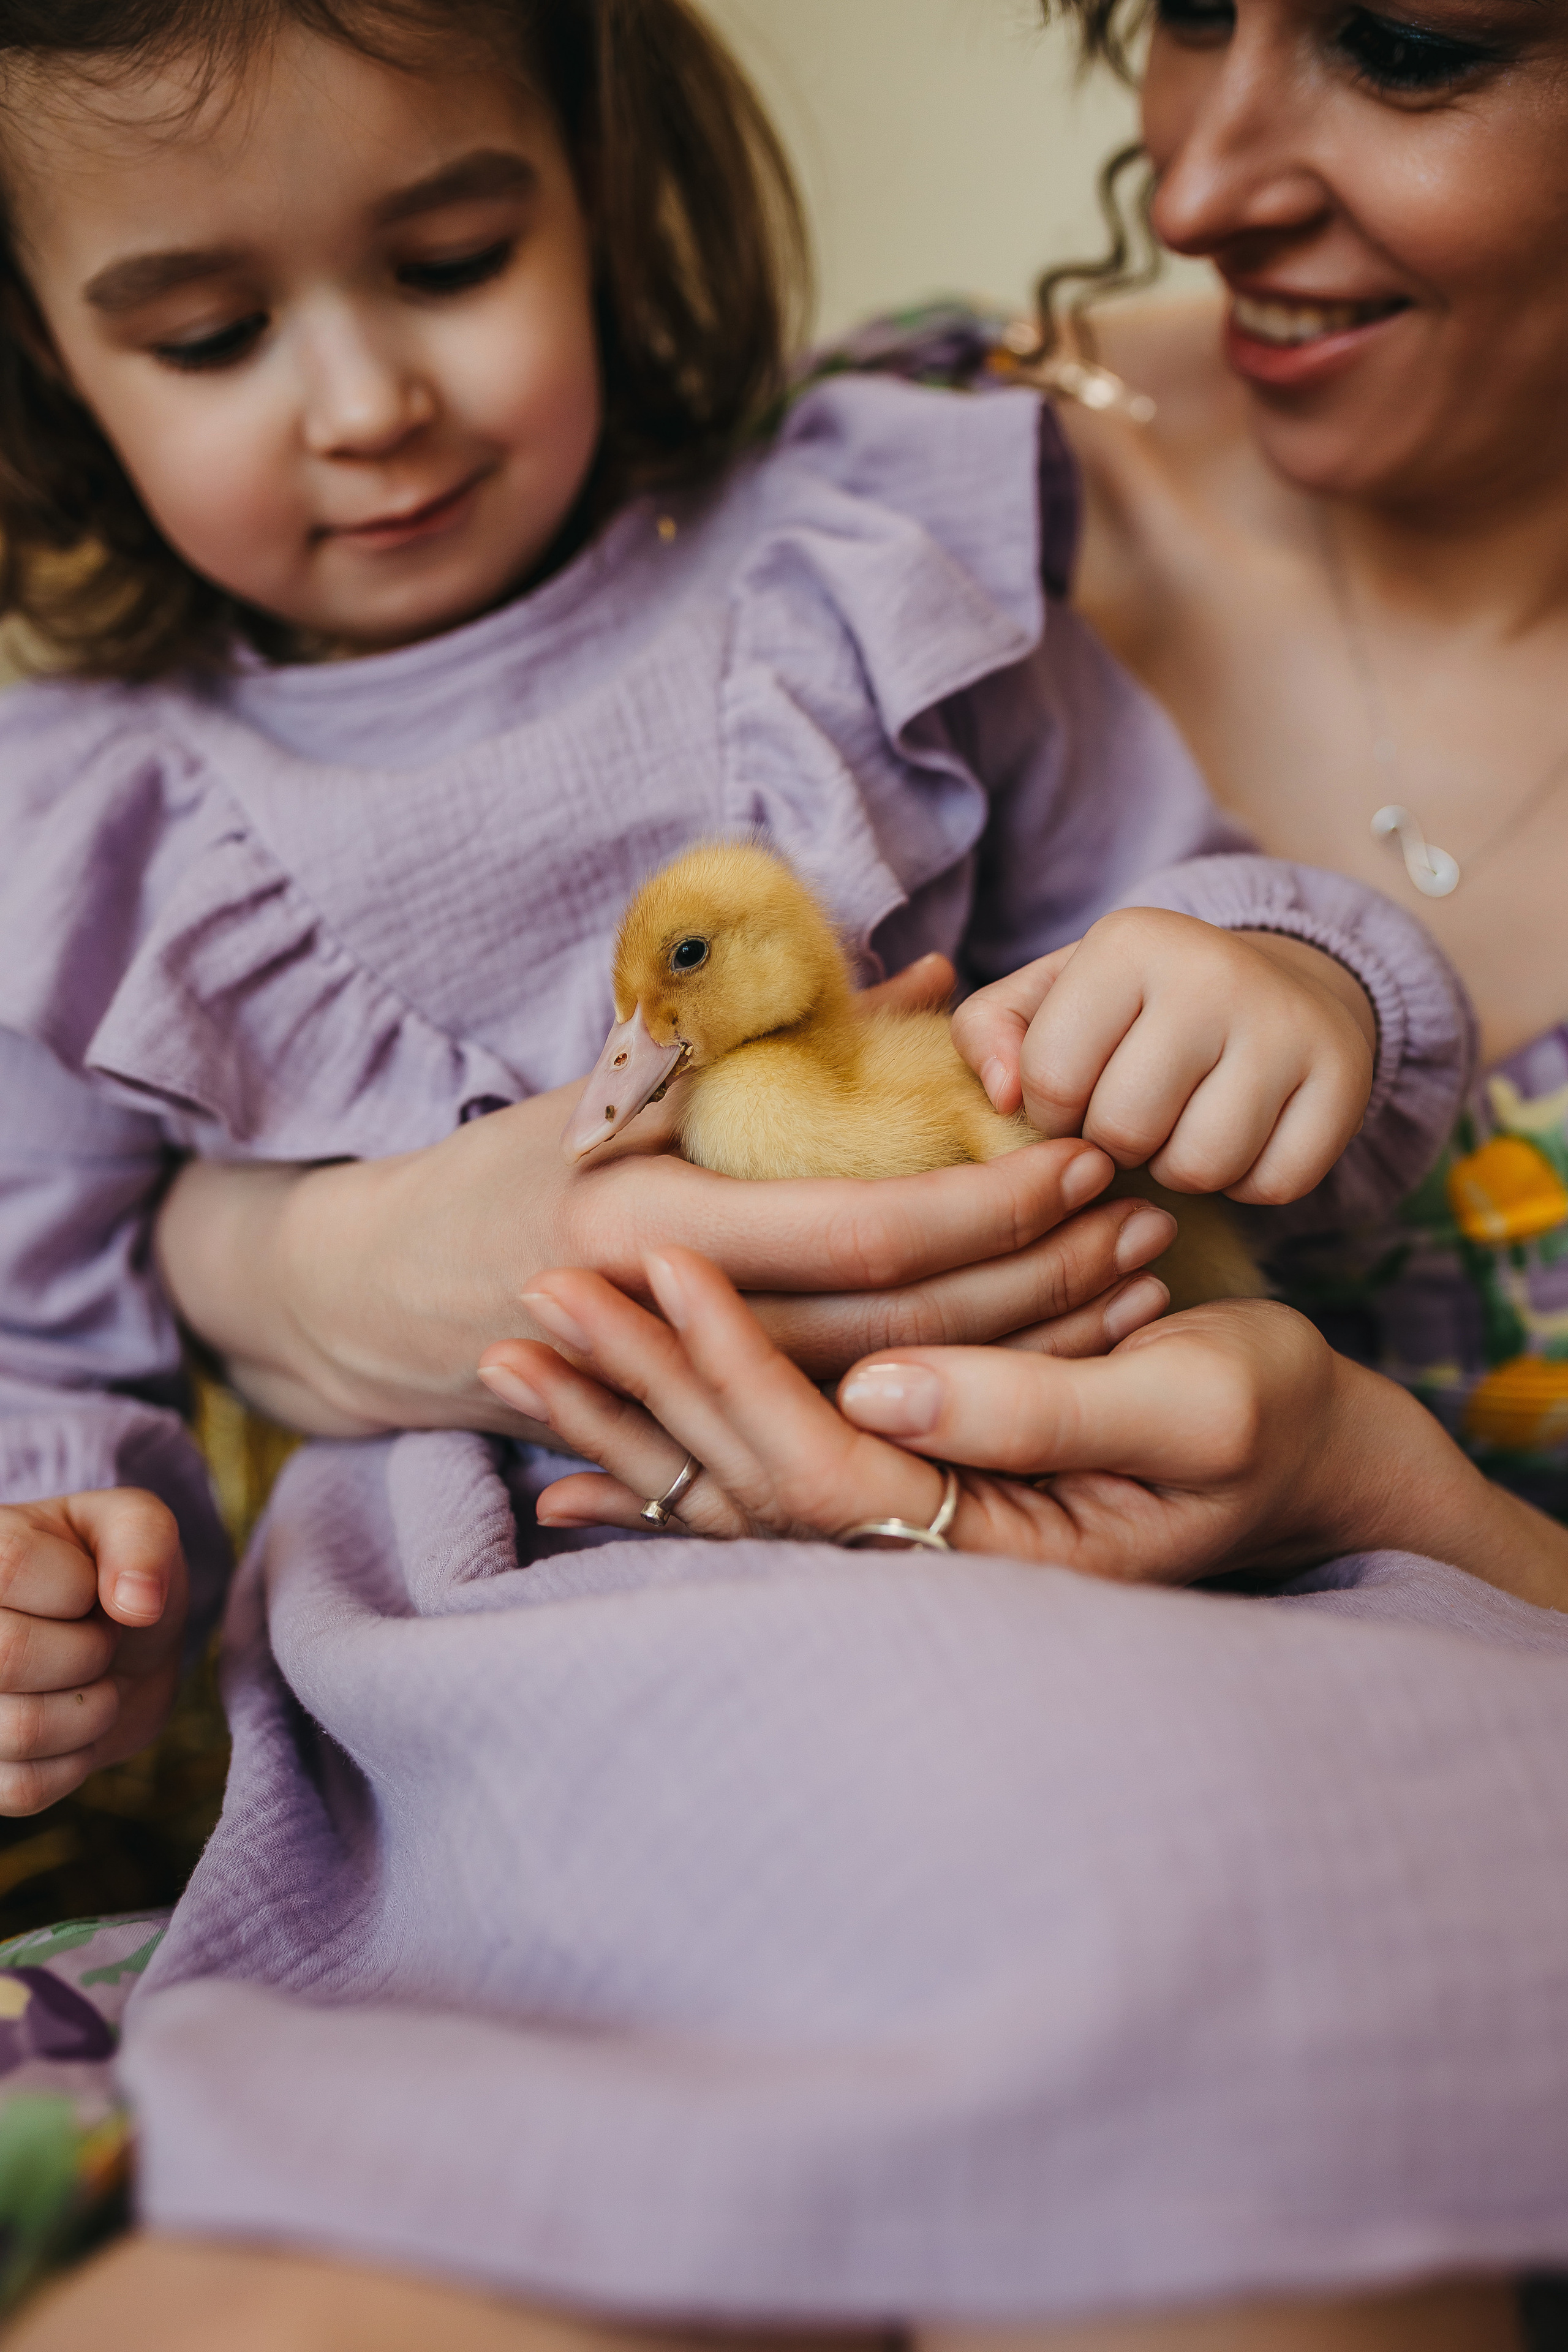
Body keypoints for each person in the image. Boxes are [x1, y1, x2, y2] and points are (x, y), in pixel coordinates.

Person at [0, 1, 1528, 2348]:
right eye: (209, 332)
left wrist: (1262, 996)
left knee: (1249, 2183)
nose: (364, 399)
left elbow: (1188, 894)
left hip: (1083, 1587)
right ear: (47, 366)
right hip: (526, 1674)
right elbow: (38, 1322)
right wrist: (58, 1561)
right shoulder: (86, 824)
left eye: (451, 258)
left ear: (606, 195)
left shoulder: (851, 562)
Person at [1028, 0, 1568, 1513]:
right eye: (1189, 11)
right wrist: (307, 1270)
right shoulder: (895, 522)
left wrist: (1386, 1499)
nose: (1190, 197)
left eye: (1404, 51)